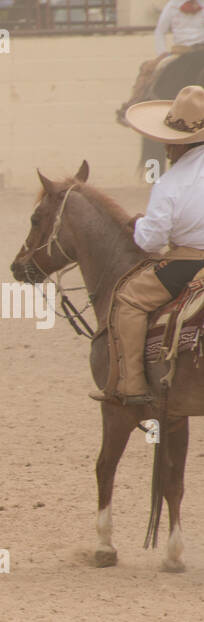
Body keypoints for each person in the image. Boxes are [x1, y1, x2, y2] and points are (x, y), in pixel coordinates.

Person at [92, 86, 204, 405]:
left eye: (168, 141)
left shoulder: (170, 183)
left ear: (177, 143)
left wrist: (138, 224)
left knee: (128, 299)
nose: (166, 149)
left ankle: (132, 387)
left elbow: (150, 241)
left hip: (189, 263)